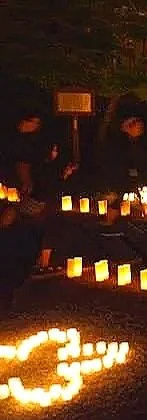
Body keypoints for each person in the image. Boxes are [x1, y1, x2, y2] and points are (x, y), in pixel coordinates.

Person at [1, 111, 75, 310]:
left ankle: (31, 270)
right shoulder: (17, 144)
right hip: (22, 197)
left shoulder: (34, 148)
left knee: (31, 233)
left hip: (32, 200)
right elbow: (24, 166)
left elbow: (42, 173)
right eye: (34, 123)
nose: (36, 127)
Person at [103, 117, 147, 228]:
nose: (141, 130)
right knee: (120, 196)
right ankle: (110, 220)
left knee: (124, 195)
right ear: (130, 128)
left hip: (127, 173)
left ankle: (139, 217)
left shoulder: (131, 140)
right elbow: (123, 158)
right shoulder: (121, 140)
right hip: (120, 174)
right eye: (138, 127)